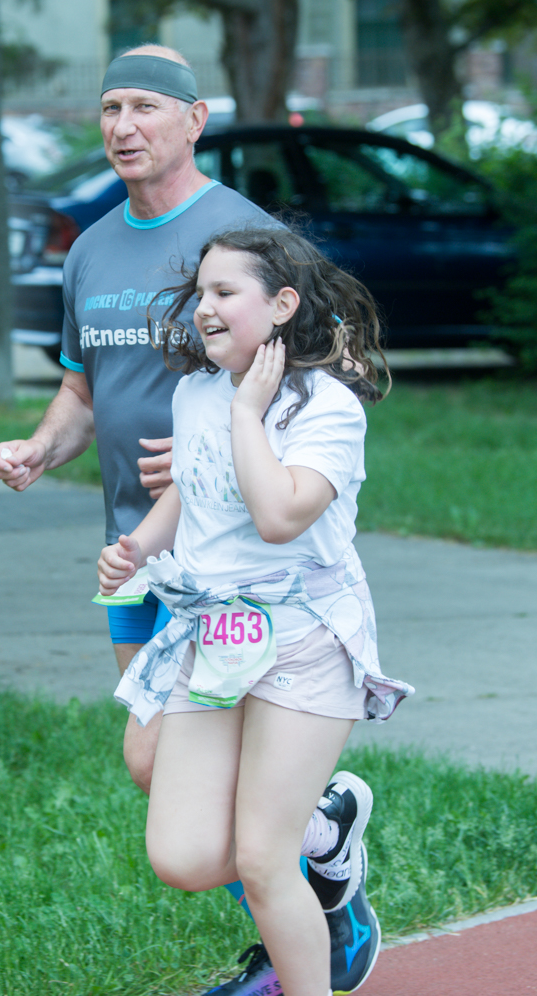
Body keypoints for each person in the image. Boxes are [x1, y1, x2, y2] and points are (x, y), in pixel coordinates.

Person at [0, 48, 386, 995]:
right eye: (109, 108)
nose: (123, 125)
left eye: (145, 107)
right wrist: (45, 447)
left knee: (254, 831)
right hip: (161, 558)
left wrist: (228, 452)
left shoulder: (242, 233)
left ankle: (301, 932)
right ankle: (317, 830)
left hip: (271, 588)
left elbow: (296, 418)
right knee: (154, 767)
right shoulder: (90, 247)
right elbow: (83, 387)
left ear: (194, 118)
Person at [98, 226, 414, 996]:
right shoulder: (195, 390)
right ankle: (323, 821)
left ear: (281, 304)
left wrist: (249, 413)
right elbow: (195, 484)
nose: (203, 309)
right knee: (182, 854)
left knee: (264, 860)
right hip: (217, 637)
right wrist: (137, 546)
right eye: (199, 293)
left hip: (306, 640)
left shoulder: (329, 409)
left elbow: (279, 516)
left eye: (223, 293)